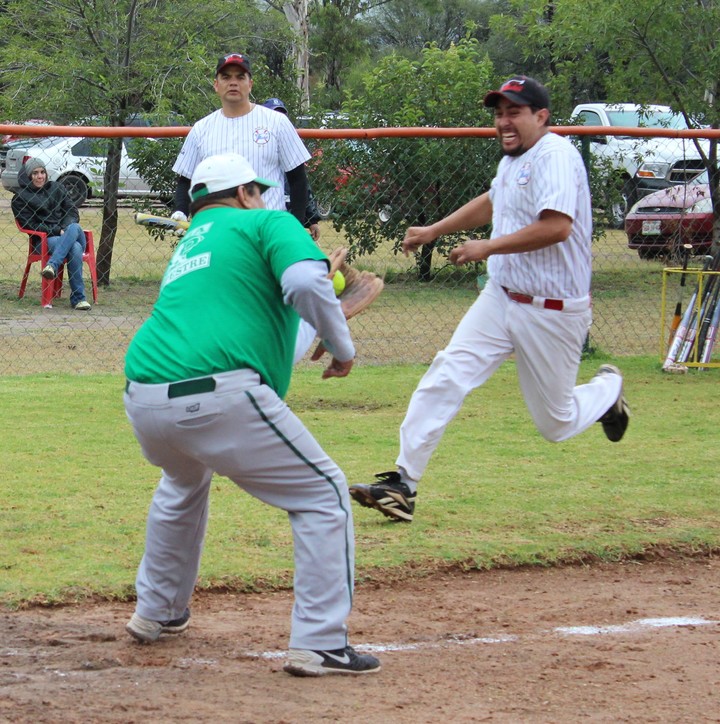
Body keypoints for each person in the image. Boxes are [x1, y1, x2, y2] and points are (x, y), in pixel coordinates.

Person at [123, 152, 381, 677]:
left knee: (183, 481)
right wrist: (344, 346)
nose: (263, 198)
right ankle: (321, 642)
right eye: (258, 190)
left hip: (144, 399)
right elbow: (307, 287)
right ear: (243, 193)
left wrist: (333, 315)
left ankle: (157, 611)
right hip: (216, 398)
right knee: (324, 494)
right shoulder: (267, 220)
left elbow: (263, 330)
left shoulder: (193, 242)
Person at [348, 76, 630, 524]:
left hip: (552, 309)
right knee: (446, 373)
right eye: (499, 113)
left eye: (514, 112)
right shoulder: (513, 160)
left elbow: (557, 226)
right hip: (501, 299)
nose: (503, 121)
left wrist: (486, 247)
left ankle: (607, 391)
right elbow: (494, 201)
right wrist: (435, 230)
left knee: (555, 424)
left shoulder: (556, 156)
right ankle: (403, 484)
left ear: (541, 117)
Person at [171, 53, 311, 225]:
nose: (233, 82)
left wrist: (296, 224)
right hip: (220, 230)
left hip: (267, 228)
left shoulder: (277, 122)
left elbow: (297, 179)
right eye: (226, 77)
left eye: (240, 77)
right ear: (216, 85)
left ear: (250, 84)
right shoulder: (201, 129)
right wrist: (180, 211)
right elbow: (185, 180)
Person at [11, 157, 91, 310]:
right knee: (74, 248)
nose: (40, 176)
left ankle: (52, 266)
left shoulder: (56, 187)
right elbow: (30, 225)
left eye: (42, 172)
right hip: (45, 240)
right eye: (35, 173)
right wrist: (56, 231)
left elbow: (72, 211)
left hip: (70, 232)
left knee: (74, 227)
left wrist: (65, 230)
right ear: (28, 176)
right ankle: (79, 299)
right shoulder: (20, 198)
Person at [262, 97, 323, 241]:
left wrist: (312, 220)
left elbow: (302, 186)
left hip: (289, 218)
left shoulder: (289, 145)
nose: (278, 118)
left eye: (282, 114)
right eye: (274, 114)